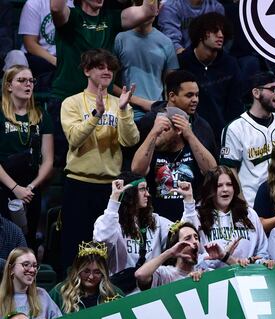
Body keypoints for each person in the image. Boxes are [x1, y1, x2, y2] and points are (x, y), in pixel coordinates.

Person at [59, 49, 139, 270]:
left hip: (109, 188)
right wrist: (96, 114)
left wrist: (123, 110)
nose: (107, 71)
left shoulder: (120, 102)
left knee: (106, 249)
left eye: (110, 68)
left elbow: (130, 140)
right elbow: (74, 138)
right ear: (87, 71)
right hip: (79, 184)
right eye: (100, 67)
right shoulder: (72, 103)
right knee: (75, 248)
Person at [220, 71, 275, 204]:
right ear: (256, 93)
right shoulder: (235, 128)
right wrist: (243, 206)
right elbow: (230, 171)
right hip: (252, 202)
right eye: (273, 89)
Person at [49, 0, 157, 100]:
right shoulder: (71, 16)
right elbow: (56, 8)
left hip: (101, 101)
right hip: (67, 99)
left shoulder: (111, 18)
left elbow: (148, 11)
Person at [93, 174, 182, 291]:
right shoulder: (111, 221)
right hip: (121, 293)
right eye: (142, 189)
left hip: (152, 292)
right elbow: (102, 240)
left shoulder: (155, 220)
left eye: (147, 189)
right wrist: (114, 199)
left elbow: (185, 233)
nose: (147, 194)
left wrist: (189, 201)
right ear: (130, 193)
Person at [131, 106, 217, 220]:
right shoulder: (151, 149)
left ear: (178, 130)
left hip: (191, 219)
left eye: (164, 128)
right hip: (158, 222)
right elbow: (136, 170)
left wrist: (190, 135)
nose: (159, 132)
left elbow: (212, 170)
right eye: (156, 127)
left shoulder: (193, 149)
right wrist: (153, 132)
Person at [0, 65, 54, 243]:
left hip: (30, 188)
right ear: (9, 86)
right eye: (21, 80)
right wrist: (15, 188)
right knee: (5, 240)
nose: (28, 84)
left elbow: (48, 160)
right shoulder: (1, 114)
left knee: (27, 239)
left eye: (31, 80)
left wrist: (30, 187)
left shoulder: (41, 115)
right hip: (4, 184)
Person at [183, 166, 273, 269]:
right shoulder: (198, 215)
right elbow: (190, 256)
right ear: (209, 189)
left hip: (247, 274)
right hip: (212, 276)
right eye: (219, 185)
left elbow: (262, 252)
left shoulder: (249, 214)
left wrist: (255, 262)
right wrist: (220, 257)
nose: (225, 189)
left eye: (229, 184)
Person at [178, 12, 242, 144]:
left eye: (223, 31)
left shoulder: (230, 64)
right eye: (215, 31)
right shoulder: (183, 61)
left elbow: (235, 104)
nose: (221, 35)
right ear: (201, 34)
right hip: (188, 132)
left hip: (222, 135)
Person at [113, 0, 179, 120]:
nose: (145, 13)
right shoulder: (119, 39)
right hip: (125, 112)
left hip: (157, 113)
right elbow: (109, 83)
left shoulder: (166, 42)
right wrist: (139, 102)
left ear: (158, 9)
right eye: (139, 6)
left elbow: (171, 85)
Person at [136, 70, 217, 159]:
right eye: (189, 95)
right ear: (172, 96)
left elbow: (213, 166)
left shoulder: (202, 127)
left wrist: (190, 136)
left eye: (197, 95)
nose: (195, 100)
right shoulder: (149, 121)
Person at [50, 241, 121, 312]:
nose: (91, 277)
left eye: (97, 272)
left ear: (103, 273)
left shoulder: (114, 293)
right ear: (77, 271)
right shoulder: (60, 292)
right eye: (86, 271)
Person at [0, 247, 61, 319]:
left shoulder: (42, 295)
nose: (32, 270)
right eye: (26, 265)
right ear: (11, 269)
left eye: (35, 266)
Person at [158, 0, 224, 54]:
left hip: (209, 58)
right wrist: (193, 59)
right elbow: (172, 43)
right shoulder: (170, 7)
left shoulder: (216, 7)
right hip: (180, 59)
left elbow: (219, 43)